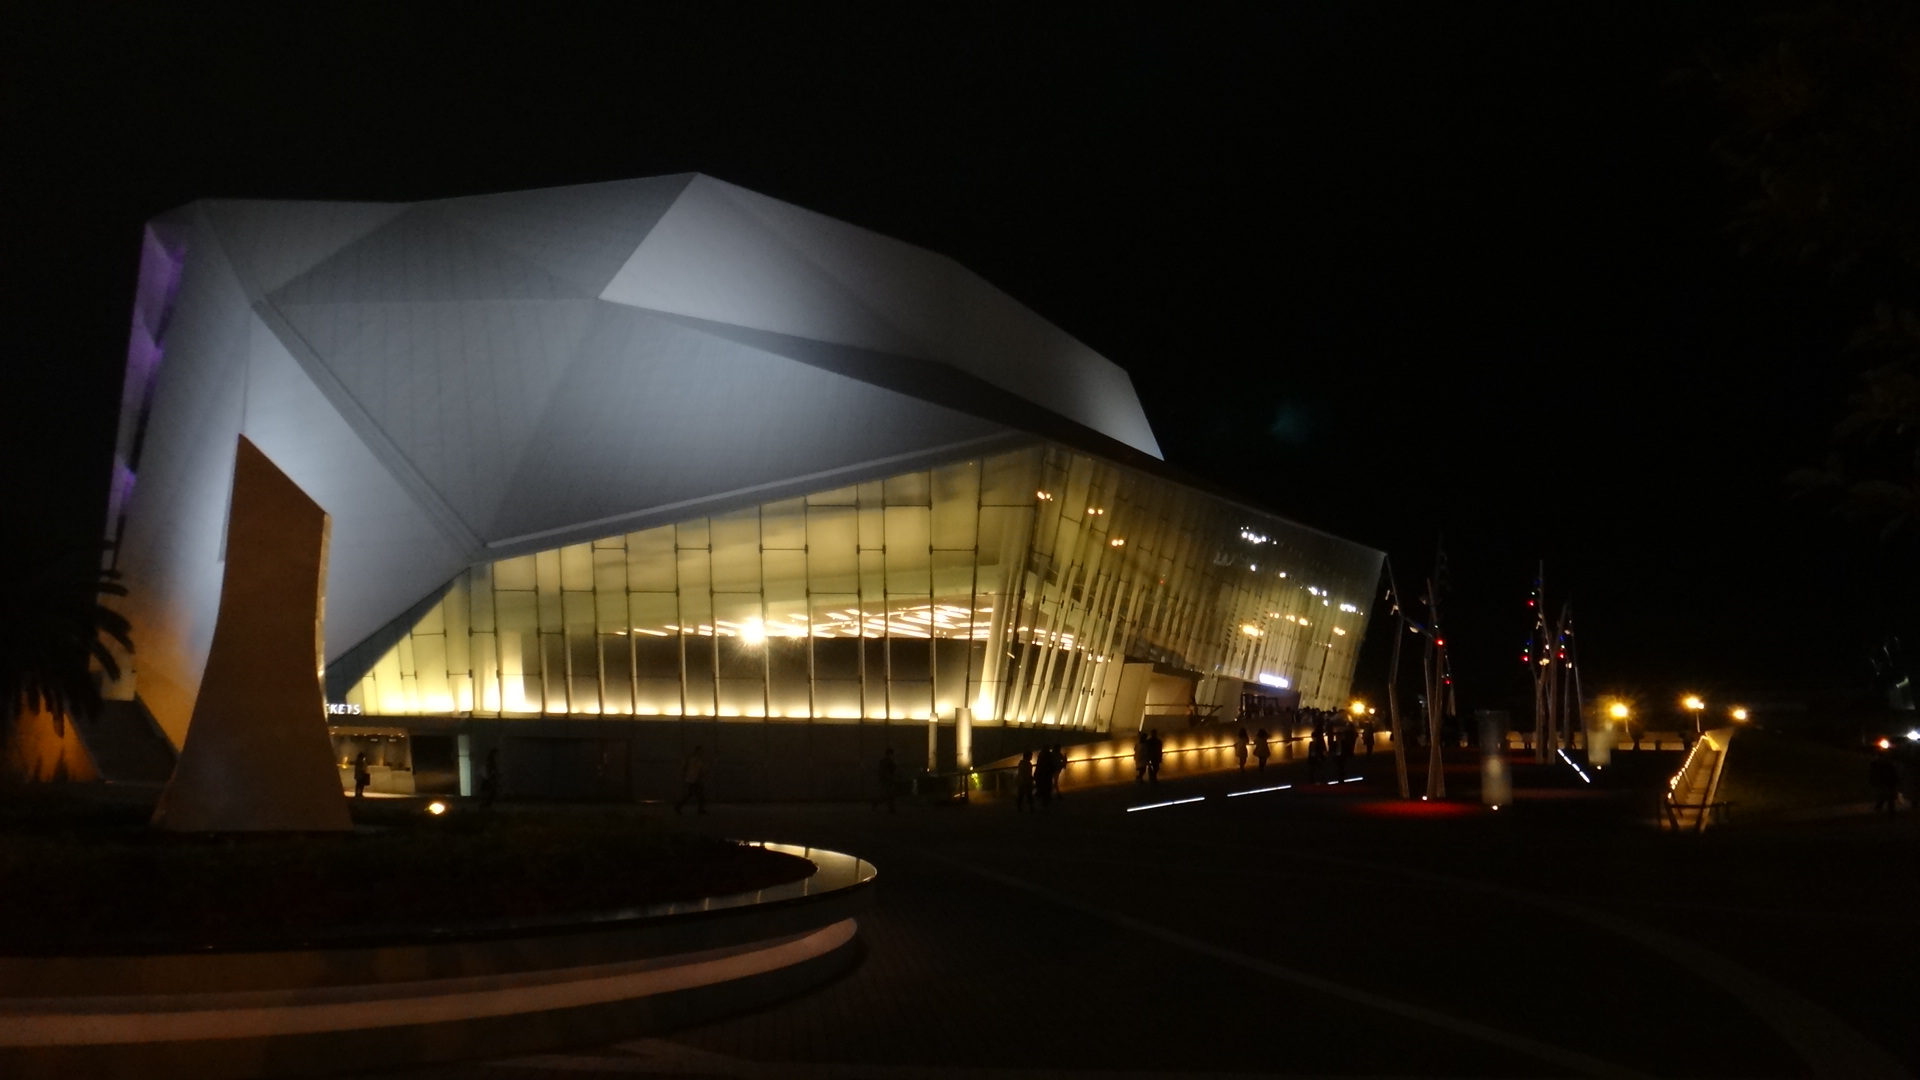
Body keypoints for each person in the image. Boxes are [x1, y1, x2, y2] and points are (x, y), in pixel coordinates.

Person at [675, 745, 708, 815]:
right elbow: (699, 769)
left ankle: (679, 805)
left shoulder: (694, 759)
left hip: (693, 779)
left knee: (694, 794)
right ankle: (679, 806)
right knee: (697, 794)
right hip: (693, 779)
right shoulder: (694, 759)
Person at [1870, 751, 1900, 816]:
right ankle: (1885, 810)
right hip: (1884, 782)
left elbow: (1893, 773)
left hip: (1887, 782)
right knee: (1884, 796)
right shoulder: (1877, 764)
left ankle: (1888, 812)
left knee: (1887, 797)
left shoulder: (1886, 764)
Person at [873, 747, 898, 814]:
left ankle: (889, 808)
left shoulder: (885, 761)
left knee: (886, 795)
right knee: (888, 795)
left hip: (886, 780)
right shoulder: (888, 761)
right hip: (887, 780)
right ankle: (890, 808)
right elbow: (886, 771)